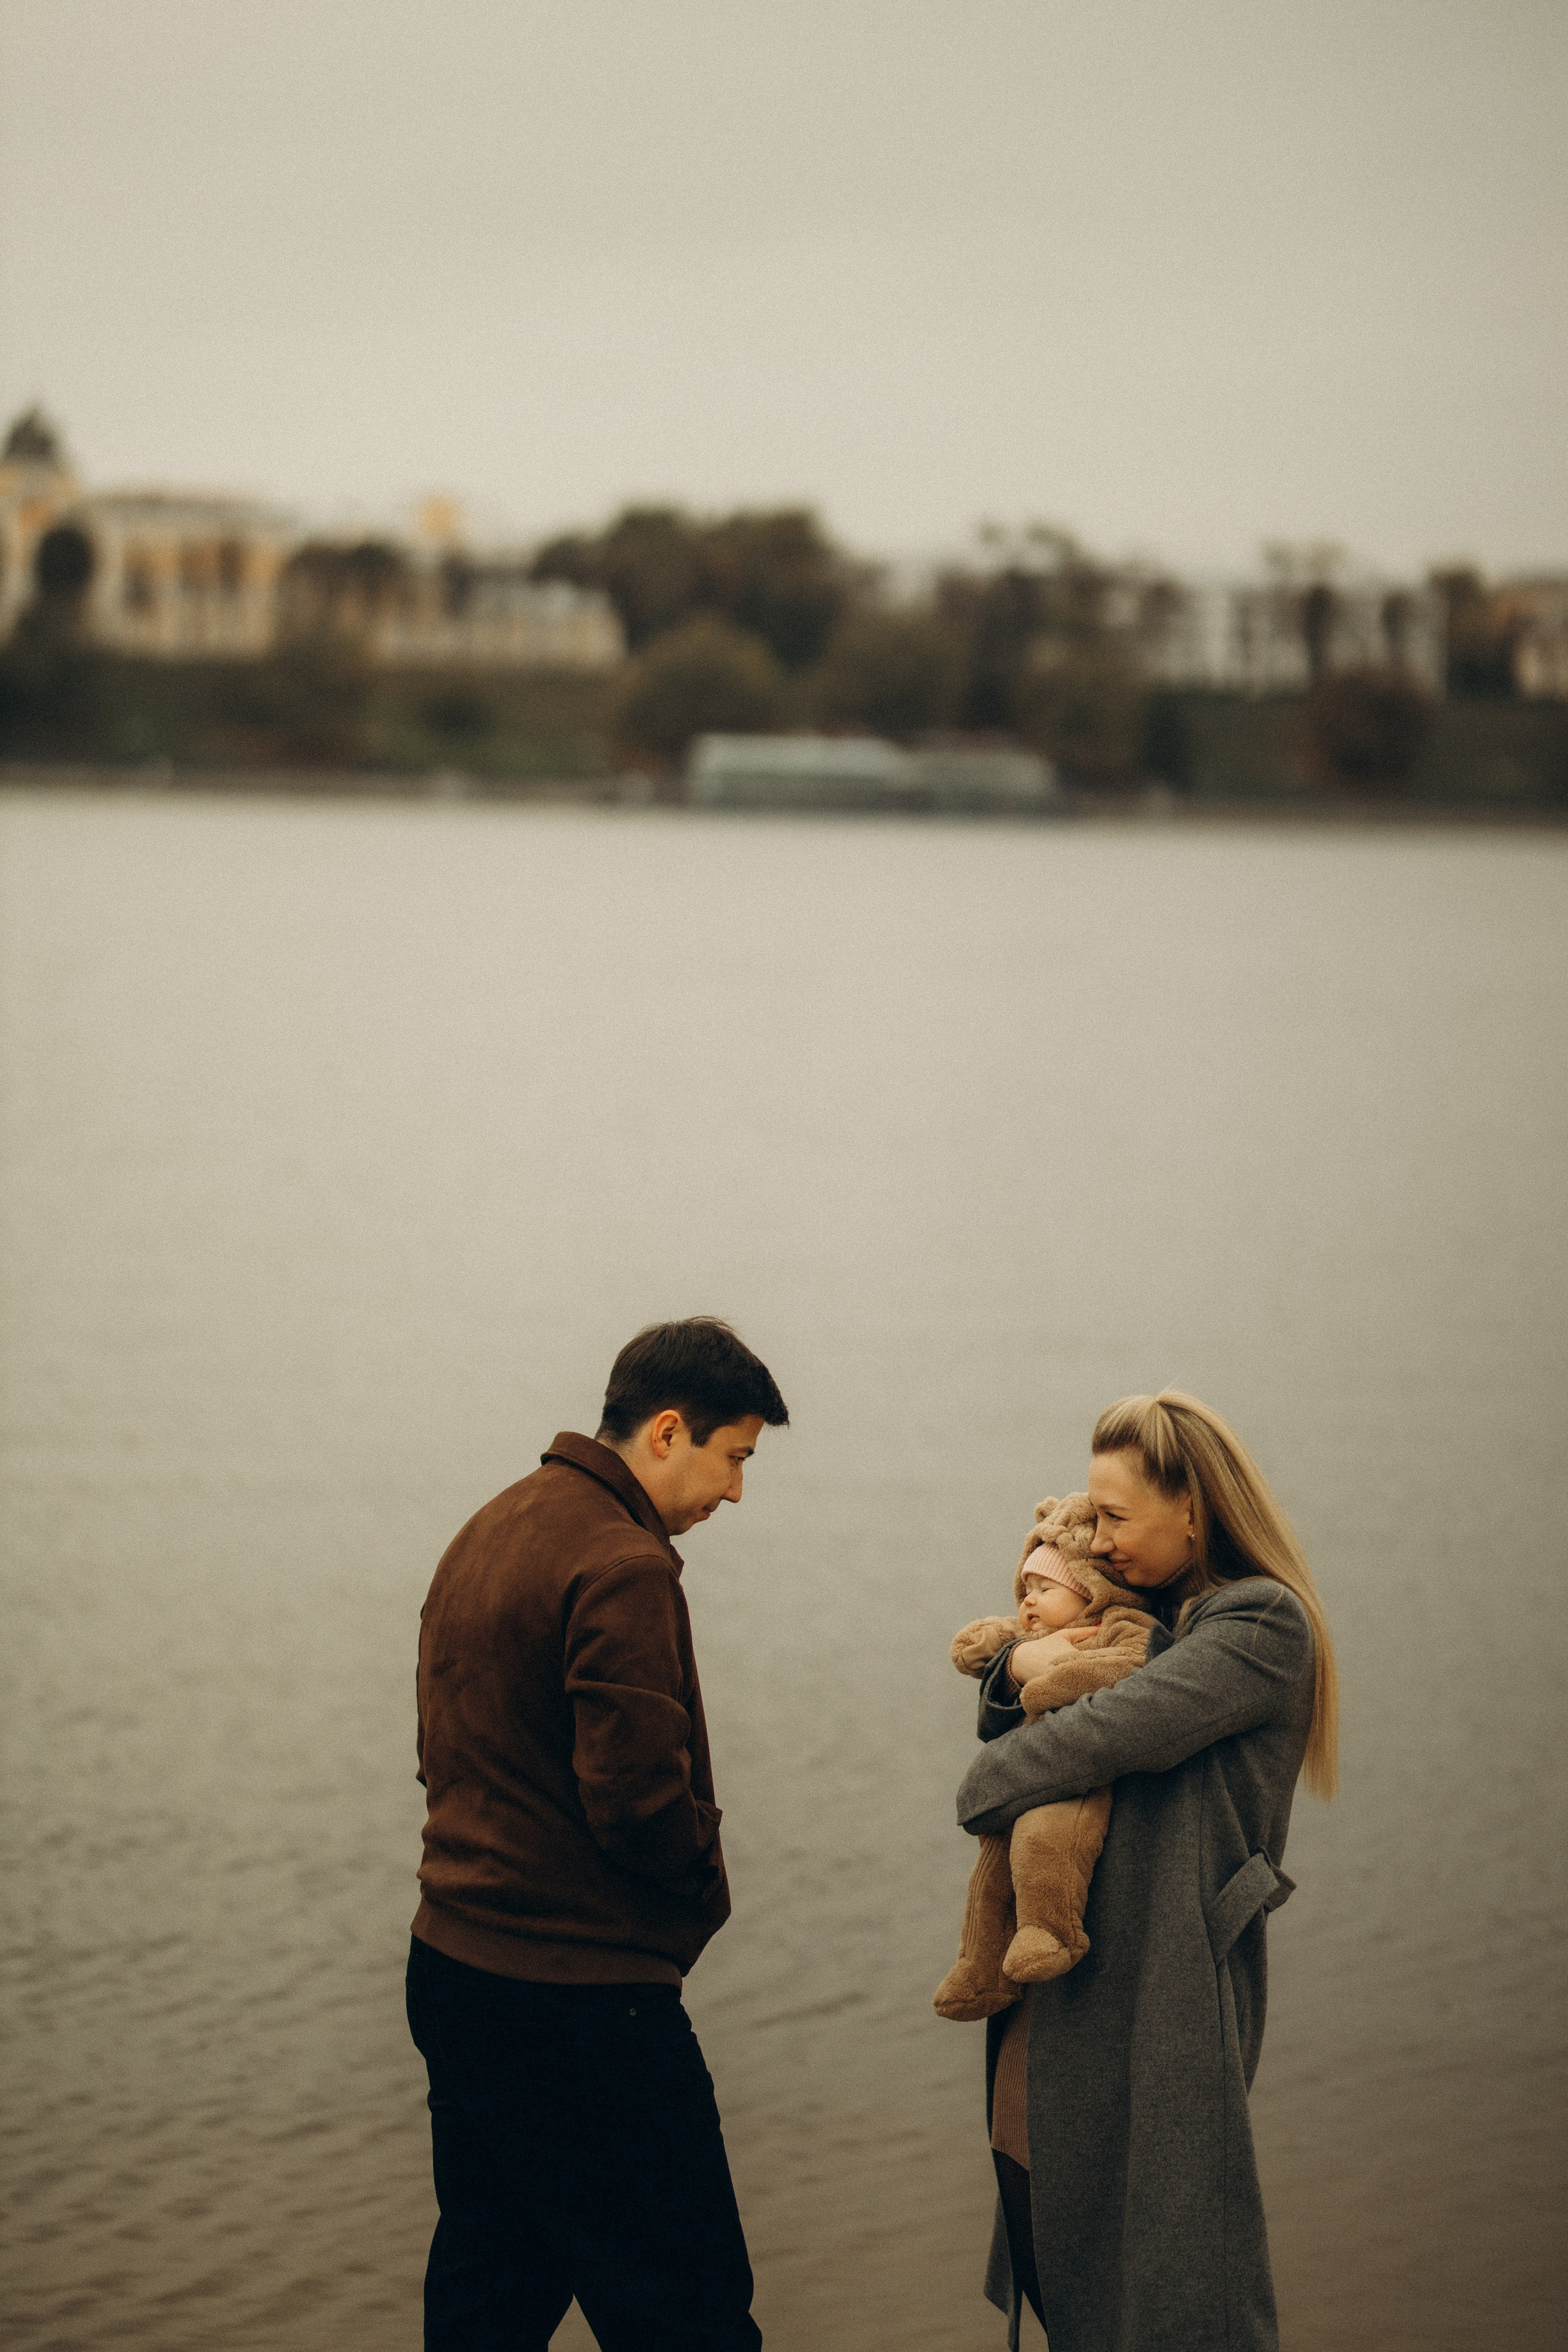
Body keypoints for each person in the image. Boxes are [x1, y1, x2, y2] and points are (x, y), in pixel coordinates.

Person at [406, 1317, 790, 2352]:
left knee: (490, 2296)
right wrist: (702, 1891)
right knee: (690, 2311)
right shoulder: (624, 1564)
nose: (737, 1493)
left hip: (452, 1968)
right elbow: (637, 1803)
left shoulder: (491, 1525)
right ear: (669, 1431)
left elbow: (440, 1749)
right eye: (736, 1458)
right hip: (579, 2008)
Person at [955, 1390, 1338, 2352]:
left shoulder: (1258, 1630)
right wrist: (1014, 1668)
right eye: (1096, 1512)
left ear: (1196, 1511)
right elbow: (1025, 1702)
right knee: (1060, 2255)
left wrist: (994, 1766)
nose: (1102, 1538)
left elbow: (1073, 1745)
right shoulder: (1152, 1617)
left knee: (1176, 2292)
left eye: (1118, 1516)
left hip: (1165, 1997)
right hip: (1063, 1997)